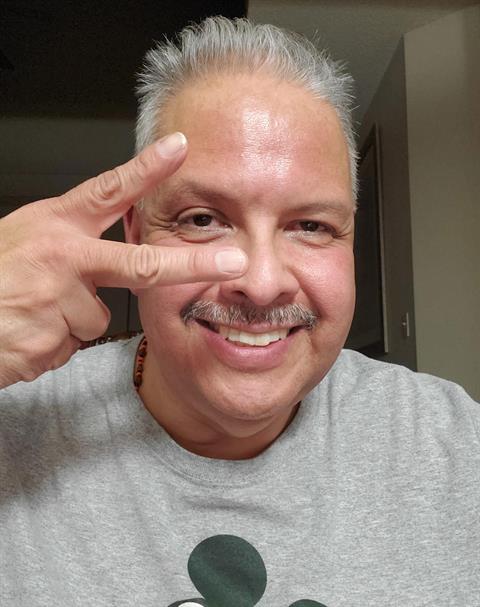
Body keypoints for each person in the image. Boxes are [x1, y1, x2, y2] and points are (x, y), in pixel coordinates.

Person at [0, 16, 478, 607]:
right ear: (135, 234)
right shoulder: (15, 423)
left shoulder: (452, 447)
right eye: (203, 219)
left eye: (311, 226)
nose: (261, 283)